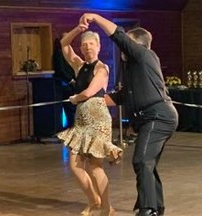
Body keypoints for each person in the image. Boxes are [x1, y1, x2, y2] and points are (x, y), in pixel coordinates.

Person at [79, 13, 179, 216]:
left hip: (158, 116)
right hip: (149, 119)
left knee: (141, 160)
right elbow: (120, 96)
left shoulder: (144, 56)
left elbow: (119, 36)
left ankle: (148, 209)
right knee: (147, 163)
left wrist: (96, 17)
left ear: (138, 45)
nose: (123, 48)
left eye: (128, 44)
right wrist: (89, 101)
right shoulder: (131, 68)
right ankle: (156, 206)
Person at [57, 24, 123, 216]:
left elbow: (89, 92)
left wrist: (75, 98)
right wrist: (78, 28)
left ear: (99, 46)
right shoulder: (78, 65)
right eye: (84, 44)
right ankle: (94, 200)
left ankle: (106, 207)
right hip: (82, 121)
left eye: (91, 44)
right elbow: (63, 44)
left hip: (98, 121)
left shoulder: (102, 68)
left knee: (95, 167)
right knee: (75, 165)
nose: (87, 47)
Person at [52, 36, 76, 129]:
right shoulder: (58, 53)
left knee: (72, 109)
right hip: (65, 85)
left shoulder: (69, 53)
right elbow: (60, 70)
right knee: (68, 109)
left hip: (72, 85)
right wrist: (71, 80)